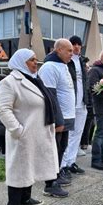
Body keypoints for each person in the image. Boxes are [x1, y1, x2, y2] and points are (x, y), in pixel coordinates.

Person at [0, 48, 68, 205]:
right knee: (19, 168)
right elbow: (3, 109)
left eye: (36, 59)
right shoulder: (10, 81)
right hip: (23, 133)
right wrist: (17, 130)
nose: (35, 62)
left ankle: (25, 198)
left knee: (29, 166)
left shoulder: (35, 80)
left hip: (38, 131)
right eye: (31, 60)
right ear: (21, 62)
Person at [38, 38, 76, 186]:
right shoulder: (49, 67)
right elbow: (50, 96)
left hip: (67, 116)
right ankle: (50, 181)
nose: (72, 54)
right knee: (53, 149)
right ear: (59, 49)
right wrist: (57, 120)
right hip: (58, 118)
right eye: (69, 50)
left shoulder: (63, 65)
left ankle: (57, 174)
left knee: (61, 147)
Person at [60, 36, 91, 177]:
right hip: (69, 104)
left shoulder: (83, 61)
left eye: (79, 44)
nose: (77, 47)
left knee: (77, 134)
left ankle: (71, 162)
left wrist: (87, 100)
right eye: (74, 44)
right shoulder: (66, 62)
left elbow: (85, 83)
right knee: (68, 135)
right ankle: (63, 165)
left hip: (82, 103)